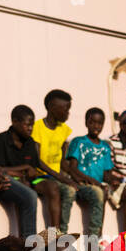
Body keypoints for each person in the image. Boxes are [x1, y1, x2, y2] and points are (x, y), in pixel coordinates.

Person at [0, 105, 42, 238]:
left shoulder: (30, 142)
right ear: (15, 122)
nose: (30, 128)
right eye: (27, 125)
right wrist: (24, 169)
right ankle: (29, 245)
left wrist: (22, 171)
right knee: (30, 196)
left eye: (32, 125)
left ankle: (30, 244)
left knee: (40, 190)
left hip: (22, 181)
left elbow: (33, 171)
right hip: (2, 182)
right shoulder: (1, 140)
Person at [63, 108, 117, 239]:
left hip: (96, 185)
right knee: (98, 192)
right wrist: (93, 182)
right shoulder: (79, 142)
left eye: (99, 123)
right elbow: (72, 168)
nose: (96, 126)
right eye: (92, 122)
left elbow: (106, 173)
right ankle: (69, 235)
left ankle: (97, 237)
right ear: (86, 123)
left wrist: (115, 181)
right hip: (80, 183)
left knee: (103, 191)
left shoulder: (105, 146)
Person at [32, 89, 80, 229]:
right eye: (65, 109)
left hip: (56, 177)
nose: (68, 113)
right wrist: (61, 177)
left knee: (71, 190)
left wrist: (74, 176)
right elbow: (37, 161)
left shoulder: (64, 129)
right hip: (39, 177)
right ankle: (54, 234)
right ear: (52, 108)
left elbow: (63, 162)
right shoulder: (37, 128)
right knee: (54, 188)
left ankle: (62, 233)